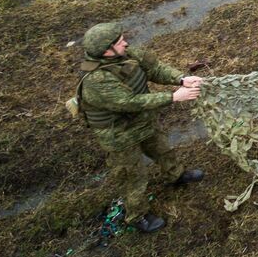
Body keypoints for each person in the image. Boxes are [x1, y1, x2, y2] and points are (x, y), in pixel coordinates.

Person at [75, 22, 204, 233]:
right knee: (132, 175)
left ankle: (177, 175)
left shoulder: (125, 54)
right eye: (120, 41)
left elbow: (154, 68)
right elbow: (129, 102)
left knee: (163, 149)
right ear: (107, 50)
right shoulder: (96, 80)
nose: (125, 43)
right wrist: (173, 97)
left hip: (142, 121)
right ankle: (137, 215)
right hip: (119, 134)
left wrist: (181, 79)